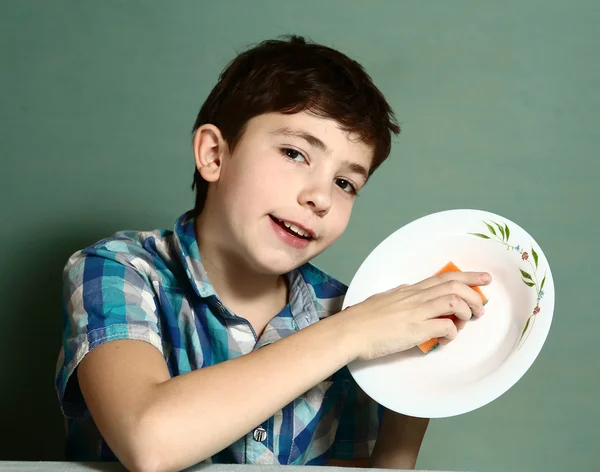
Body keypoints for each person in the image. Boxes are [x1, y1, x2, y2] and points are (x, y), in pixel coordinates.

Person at [55, 35, 490, 472]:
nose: (320, 196)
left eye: (345, 184)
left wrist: (415, 395)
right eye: (294, 153)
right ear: (213, 154)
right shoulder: (119, 269)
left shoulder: (347, 309)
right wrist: (353, 332)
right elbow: (148, 441)